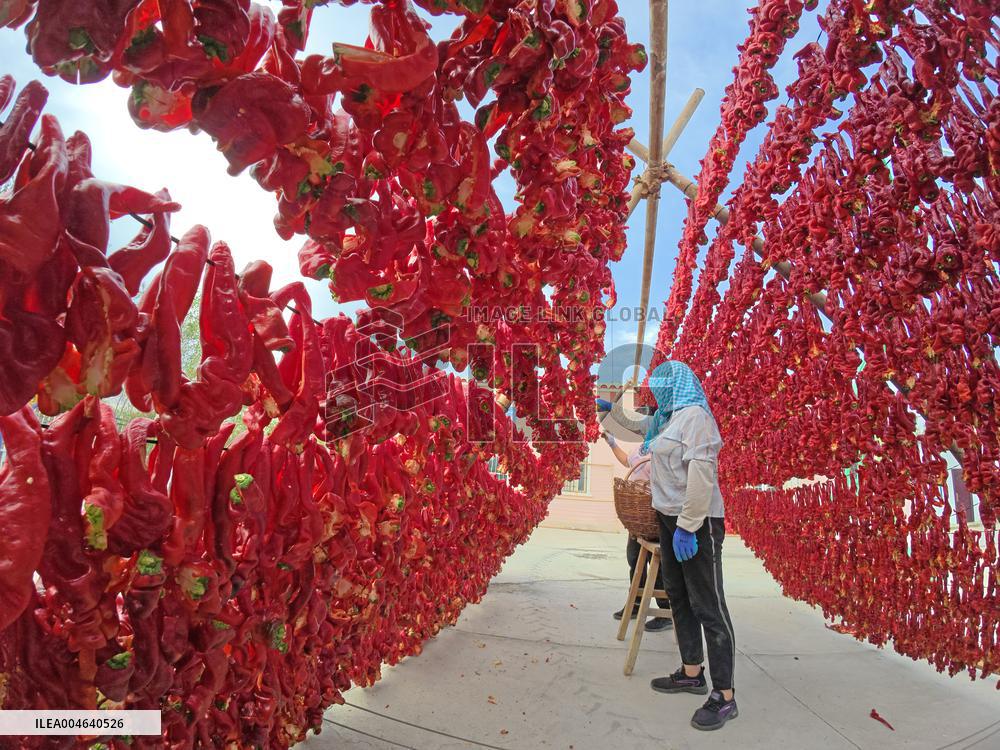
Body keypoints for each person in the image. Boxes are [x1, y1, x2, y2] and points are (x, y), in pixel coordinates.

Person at [634, 360, 737, 731]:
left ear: (676, 384)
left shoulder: (695, 417)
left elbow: (701, 475)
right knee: (679, 597)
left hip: (696, 522)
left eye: (661, 384)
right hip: (668, 519)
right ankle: (692, 671)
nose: (656, 390)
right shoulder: (670, 419)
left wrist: (689, 526)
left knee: (708, 603)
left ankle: (724, 695)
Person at [599, 421, 672, 632]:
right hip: (638, 515)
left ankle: (665, 611)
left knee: (656, 563)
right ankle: (636, 603)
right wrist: (612, 444)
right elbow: (627, 461)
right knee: (634, 558)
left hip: (655, 514)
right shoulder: (642, 448)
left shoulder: (663, 450)